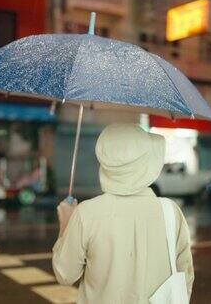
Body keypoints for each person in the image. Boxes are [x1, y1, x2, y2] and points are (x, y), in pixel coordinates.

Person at [52, 124, 194, 304]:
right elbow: (185, 277)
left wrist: (65, 225)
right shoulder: (171, 211)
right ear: (148, 163)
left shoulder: (87, 214)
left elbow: (65, 275)